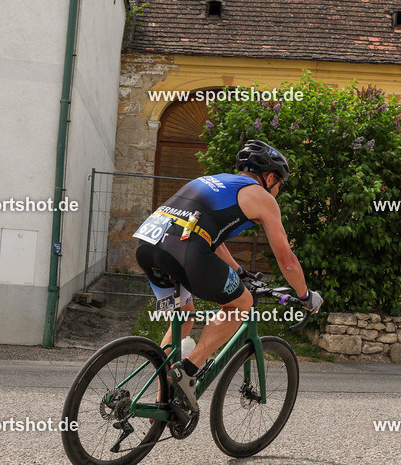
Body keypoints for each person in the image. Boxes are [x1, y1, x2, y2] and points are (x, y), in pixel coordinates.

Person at [133, 139, 323, 415]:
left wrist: (238, 271)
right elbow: (287, 261)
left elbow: (208, 235)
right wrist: (305, 296)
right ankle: (188, 370)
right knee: (241, 305)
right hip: (186, 250)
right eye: (280, 185)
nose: (278, 192)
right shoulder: (261, 196)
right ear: (270, 177)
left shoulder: (209, 180)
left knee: (185, 318)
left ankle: (163, 400)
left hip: (149, 246)